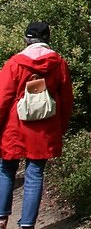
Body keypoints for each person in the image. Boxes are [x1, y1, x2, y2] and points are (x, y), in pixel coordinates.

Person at [0, 22, 73, 229]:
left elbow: (2, 98)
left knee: (6, 169)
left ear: (26, 39)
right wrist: (61, 127)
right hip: (44, 127)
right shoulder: (58, 63)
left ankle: (1, 218)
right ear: (48, 39)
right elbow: (66, 100)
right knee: (35, 174)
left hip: (14, 126)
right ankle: (27, 225)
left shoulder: (14, 63)